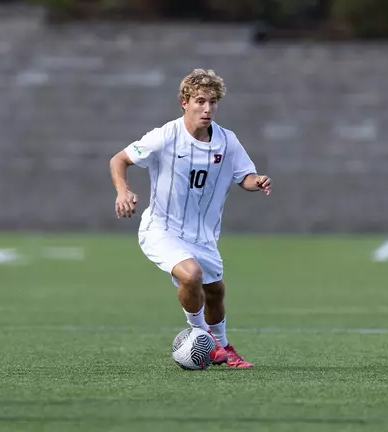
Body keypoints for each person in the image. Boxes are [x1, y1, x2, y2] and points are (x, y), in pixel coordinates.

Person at [109, 69, 272, 368]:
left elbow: (244, 177)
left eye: (213, 102)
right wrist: (123, 191)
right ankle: (202, 335)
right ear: (185, 102)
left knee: (215, 291)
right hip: (162, 228)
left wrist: (257, 181)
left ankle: (223, 347)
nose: (207, 109)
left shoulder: (227, 141)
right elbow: (119, 159)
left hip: (203, 235)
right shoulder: (165, 136)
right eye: (200, 101)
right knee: (191, 274)